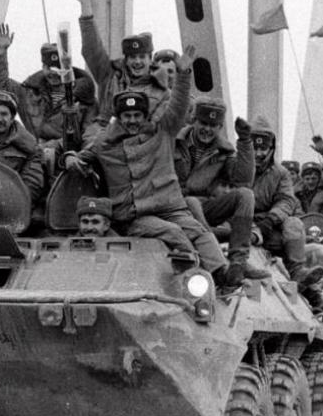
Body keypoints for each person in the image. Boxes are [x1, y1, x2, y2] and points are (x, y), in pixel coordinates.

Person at [74, 46, 242, 292]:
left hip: (169, 206)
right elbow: (84, 154)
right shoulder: (106, 144)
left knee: (199, 231)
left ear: (145, 116)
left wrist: (183, 74)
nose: (132, 120)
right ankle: (195, 279)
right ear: (119, 118)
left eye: (137, 115)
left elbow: (178, 106)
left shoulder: (161, 132)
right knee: (174, 233)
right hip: (134, 215)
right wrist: (70, 158)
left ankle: (222, 275)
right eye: (127, 116)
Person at [174, 97, 270, 281]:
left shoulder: (223, 150)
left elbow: (243, 180)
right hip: (172, 205)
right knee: (191, 202)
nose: (207, 129)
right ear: (194, 120)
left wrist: (245, 142)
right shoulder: (174, 141)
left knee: (245, 195)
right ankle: (217, 259)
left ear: (220, 127)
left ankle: (238, 262)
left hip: (202, 208)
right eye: (203, 123)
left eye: (213, 125)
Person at [249, 116, 323, 312]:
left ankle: (302, 279)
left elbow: (286, 201)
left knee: (294, 225)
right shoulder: (235, 167)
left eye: (264, 148)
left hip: (268, 225)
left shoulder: (280, 173)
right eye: (255, 148)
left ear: (271, 148)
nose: (259, 153)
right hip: (241, 222)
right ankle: (311, 293)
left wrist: (271, 219)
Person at [0, 23, 100, 147]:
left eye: (58, 68)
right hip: (34, 153)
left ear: (67, 69)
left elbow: (91, 137)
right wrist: (1, 52)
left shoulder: (84, 100)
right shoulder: (29, 94)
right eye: (49, 68)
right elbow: (1, 85)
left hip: (69, 155)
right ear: (43, 67)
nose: (53, 73)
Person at [72, 0, 170, 122]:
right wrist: (86, 7)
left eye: (142, 57)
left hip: (142, 135)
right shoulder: (110, 77)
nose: (137, 61)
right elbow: (92, 49)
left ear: (150, 59)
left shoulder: (163, 91)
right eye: (132, 57)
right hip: (106, 133)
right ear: (126, 59)